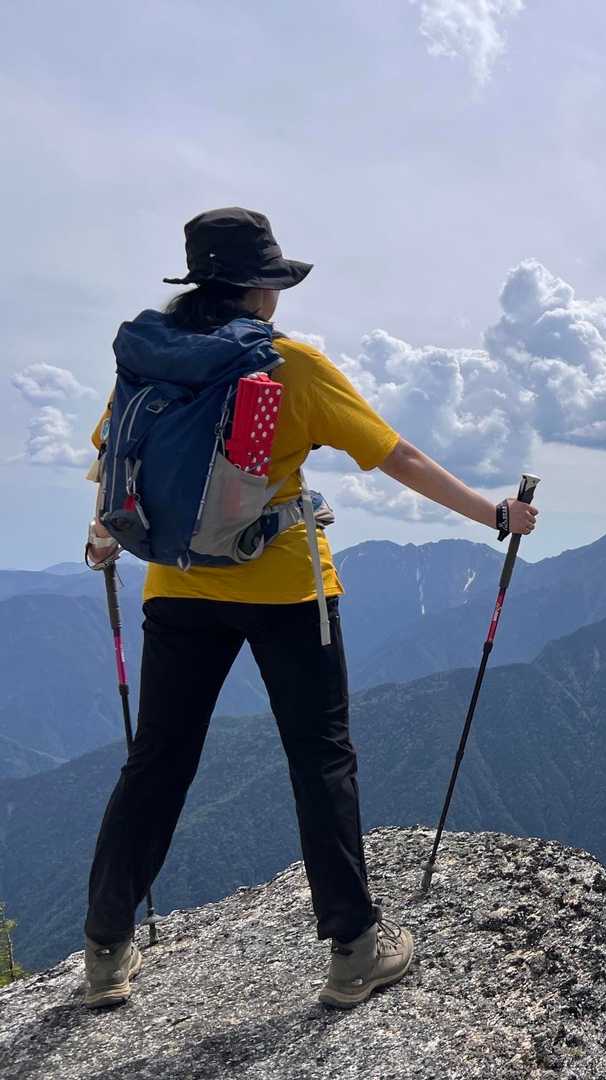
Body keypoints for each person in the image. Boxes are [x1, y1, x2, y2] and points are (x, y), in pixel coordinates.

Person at [80, 207, 537, 1010]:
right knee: (320, 758)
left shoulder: (150, 358)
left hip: (176, 586)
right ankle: (355, 950)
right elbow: (397, 455)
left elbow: (114, 456)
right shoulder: (288, 363)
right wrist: (494, 514)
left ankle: (104, 953)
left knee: (157, 760)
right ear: (262, 287)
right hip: (287, 588)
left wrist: (105, 532)